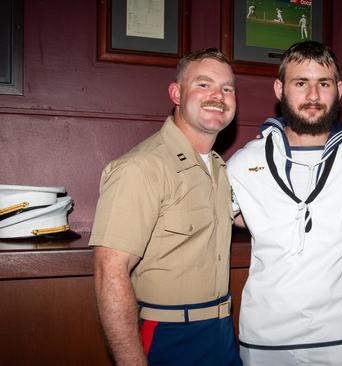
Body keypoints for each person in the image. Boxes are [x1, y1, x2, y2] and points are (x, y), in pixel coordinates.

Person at [227, 41, 342, 365]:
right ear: (280, 89)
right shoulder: (244, 162)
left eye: (324, 83)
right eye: (301, 83)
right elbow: (223, 214)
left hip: (340, 341)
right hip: (263, 339)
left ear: (339, 89)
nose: (313, 95)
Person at [90, 48, 240, 366]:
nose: (218, 96)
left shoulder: (219, 168)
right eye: (203, 84)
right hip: (168, 335)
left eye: (227, 88)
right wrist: (131, 360)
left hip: (222, 332)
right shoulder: (141, 168)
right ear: (176, 93)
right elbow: (109, 270)